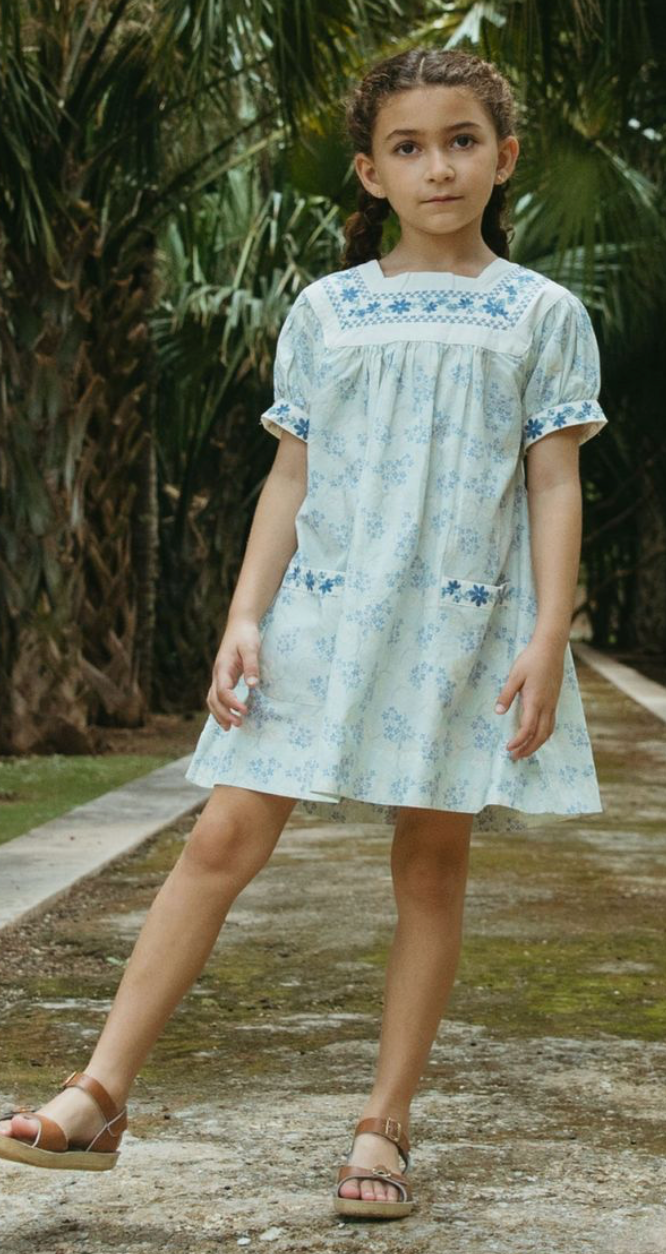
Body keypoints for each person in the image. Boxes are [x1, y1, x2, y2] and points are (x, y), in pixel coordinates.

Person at [0, 46, 609, 1221]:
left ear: (504, 156)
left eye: (462, 141)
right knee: (221, 838)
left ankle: (385, 1125)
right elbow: (290, 477)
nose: (439, 167)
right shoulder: (328, 311)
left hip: (460, 630)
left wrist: (548, 635)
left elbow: (552, 484)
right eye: (408, 147)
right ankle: (100, 1092)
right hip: (321, 616)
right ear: (372, 173)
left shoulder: (541, 313)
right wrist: (244, 615)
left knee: (430, 863)